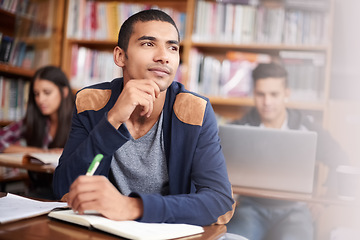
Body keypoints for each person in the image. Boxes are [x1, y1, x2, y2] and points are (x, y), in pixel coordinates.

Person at [53, 9, 235, 226]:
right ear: (120, 56)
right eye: (148, 44)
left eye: (172, 47)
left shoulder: (195, 110)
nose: (163, 56)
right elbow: (64, 188)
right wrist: (112, 121)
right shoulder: (90, 103)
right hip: (103, 229)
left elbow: (219, 199)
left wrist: (132, 207)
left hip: (166, 231)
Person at [226, 62, 349, 239]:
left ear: (286, 94)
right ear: (254, 94)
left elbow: (340, 159)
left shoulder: (308, 128)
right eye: (261, 94)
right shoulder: (238, 128)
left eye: (274, 94)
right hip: (250, 208)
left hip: (295, 211)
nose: (267, 102)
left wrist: (324, 201)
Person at [0, 65, 75, 199]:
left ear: (64, 92)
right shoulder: (34, 120)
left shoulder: (79, 120)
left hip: (68, 196)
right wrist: (41, 152)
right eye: (36, 94)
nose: (40, 100)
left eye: (47, 92)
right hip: (37, 194)